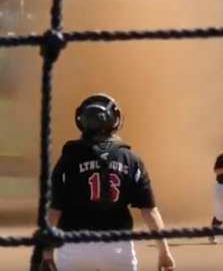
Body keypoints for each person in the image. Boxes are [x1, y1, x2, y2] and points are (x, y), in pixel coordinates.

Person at [41, 93, 175, 271]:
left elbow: (54, 210)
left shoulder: (68, 158)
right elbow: (149, 210)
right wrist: (164, 251)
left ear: (82, 121)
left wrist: (47, 253)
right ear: (114, 120)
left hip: (75, 246)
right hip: (117, 247)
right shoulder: (131, 159)